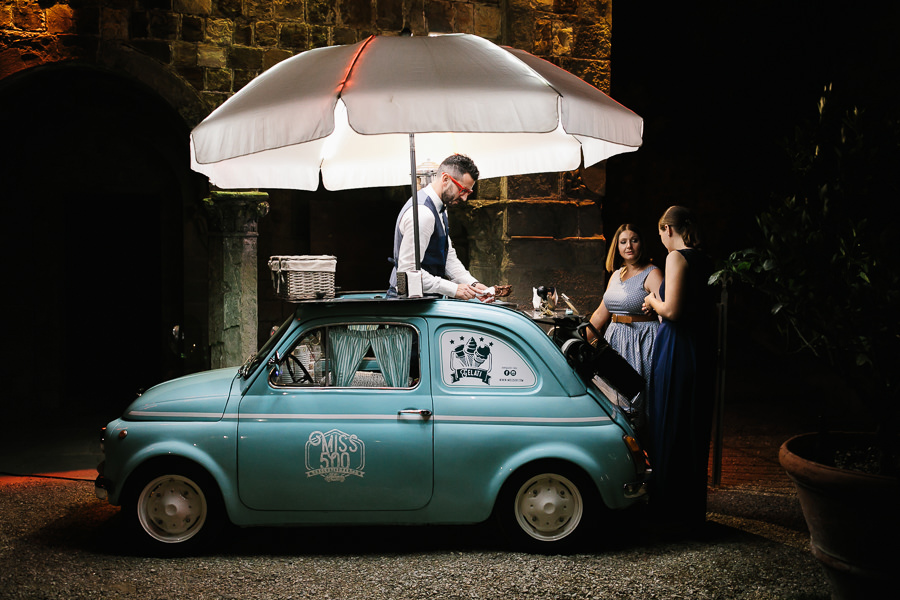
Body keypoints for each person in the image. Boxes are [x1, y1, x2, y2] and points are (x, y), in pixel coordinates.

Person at [642, 205, 716, 532]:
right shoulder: (707, 259)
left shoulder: (676, 257)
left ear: (668, 229)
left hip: (676, 347)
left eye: (660, 233)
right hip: (700, 348)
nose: (661, 240)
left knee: (668, 419)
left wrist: (652, 300)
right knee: (692, 424)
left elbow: (670, 311)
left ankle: (666, 512)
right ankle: (690, 513)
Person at [586, 224, 663, 433]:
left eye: (634, 240)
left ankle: (646, 448)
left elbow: (666, 312)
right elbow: (601, 314)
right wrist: (581, 340)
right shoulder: (616, 274)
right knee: (614, 394)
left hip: (642, 342)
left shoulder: (652, 273)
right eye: (623, 241)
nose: (629, 245)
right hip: (615, 341)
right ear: (617, 247)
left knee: (638, 398)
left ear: (642, 244)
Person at [388, 154, 491, 299]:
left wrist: (472, 284)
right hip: (408, 306)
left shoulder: (440, 207)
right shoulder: (423, 214)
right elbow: (407, 274)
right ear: (445, 179)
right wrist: (453, 288)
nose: (464, 198)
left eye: (468, 192)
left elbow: (447, 256)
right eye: (462, 190)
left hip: (426, 301)